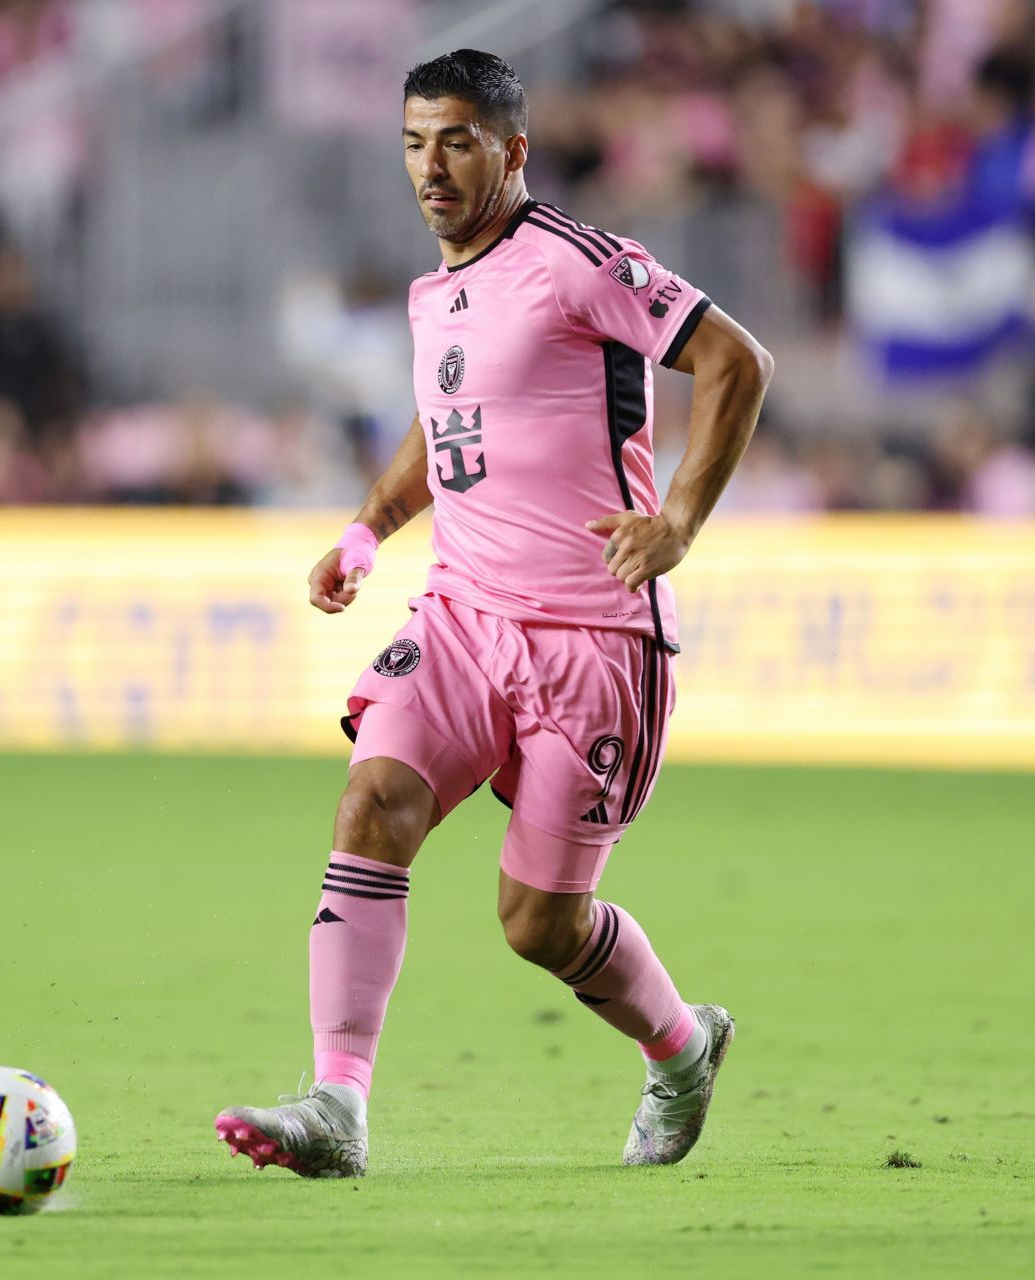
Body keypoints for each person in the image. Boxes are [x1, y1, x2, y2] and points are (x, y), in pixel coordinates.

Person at [215, 50, 772, 1175]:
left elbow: (736, 360)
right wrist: (369, 529)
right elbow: (446, 430)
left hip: (596, 637)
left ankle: (679, 1046)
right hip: (465, 616)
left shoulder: (576, 262)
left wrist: (679, 521)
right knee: (373, 799)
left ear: (512, 151)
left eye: (459, 139)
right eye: (417, 142)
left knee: (539, 923)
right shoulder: (433, 294)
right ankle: (338, 1102)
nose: (433, 165)